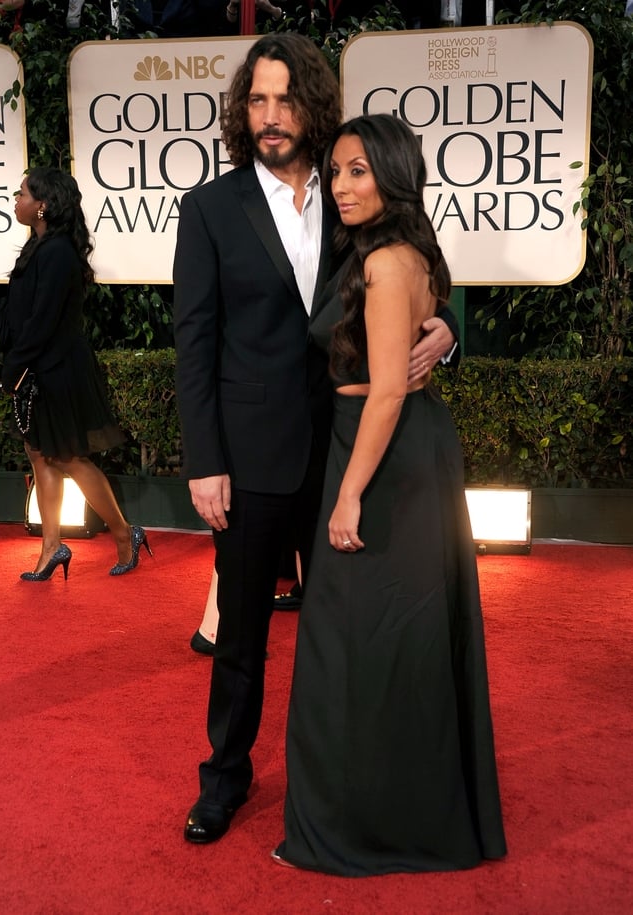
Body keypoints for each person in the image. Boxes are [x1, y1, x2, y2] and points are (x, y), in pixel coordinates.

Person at [173, 33, 459, 845]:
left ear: (312, 106)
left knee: (348, 628)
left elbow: (421, 267)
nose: (271, 117)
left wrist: (446, 331)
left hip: (343, 452)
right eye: (256, 101)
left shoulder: (350, 191)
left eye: (286, 99)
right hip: (252, 459)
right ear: (241, 111)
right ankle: (225, 777)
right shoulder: (210, 208)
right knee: (242, 637)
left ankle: (344, 776)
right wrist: (205, 461)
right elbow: (194, 343)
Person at [272, 114, 506, 875]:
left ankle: (365, 825)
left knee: (359, 646)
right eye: (335, 171)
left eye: (358, 171)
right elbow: (413, 343)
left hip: (381, 455)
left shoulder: (388, 260)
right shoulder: (387, 250)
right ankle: (400, 810)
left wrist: (347, 496)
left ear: (394, 175)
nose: (340, 185)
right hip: (388, 448)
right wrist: (442, 328)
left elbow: (384, 395)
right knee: (387, 644)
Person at [0, 167, 151, 580]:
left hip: (56, 367)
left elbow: (43, 321)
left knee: (67, 456)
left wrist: (12, 370)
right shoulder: (39, 246)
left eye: (22, 193)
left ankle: (124, 533)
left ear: (42, 204)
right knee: (40, 453)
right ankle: (52, 546)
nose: (16, 199)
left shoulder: (58, 251)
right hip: (37, 366)